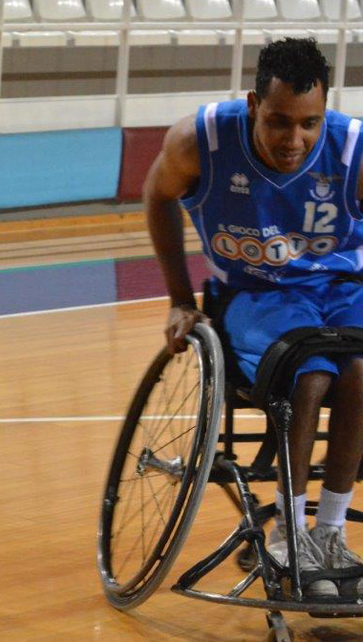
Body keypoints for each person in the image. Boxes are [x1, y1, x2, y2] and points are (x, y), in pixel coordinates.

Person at [145, 37, 363, 597]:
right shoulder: (200, 141)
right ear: (252, 104)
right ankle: (289, 534)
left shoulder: (353, 149)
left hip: (342, 287)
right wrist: (179, 299)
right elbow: (157, 195)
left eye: (310, 123)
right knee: (309, 373)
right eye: (279, 122)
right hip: (257, 292)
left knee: (361, 370)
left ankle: (330, 532)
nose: (295, 139)